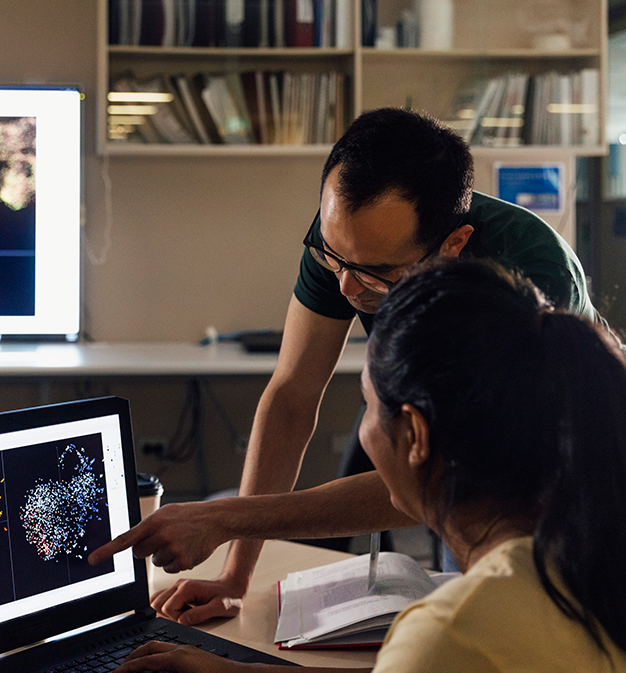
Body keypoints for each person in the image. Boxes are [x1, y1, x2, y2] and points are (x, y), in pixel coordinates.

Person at [89, 107, 602, 625]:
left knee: (495, 623)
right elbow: (291, 398)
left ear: (453, 247)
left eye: (379, 273)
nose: (347, 290)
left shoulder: (528, 276)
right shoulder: (348, 243)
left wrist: (222, 517)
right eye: (333, 258)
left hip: (565, 484)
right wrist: (235, 577)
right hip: (457, 475)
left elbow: (446, 478)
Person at [83, 258, 626, 673]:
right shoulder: (583, 564)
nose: (364, 433)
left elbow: (441, 663)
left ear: (414, 435)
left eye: (367, 406)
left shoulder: (454, 634)